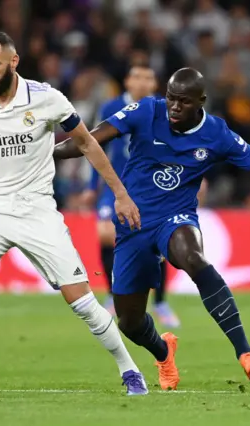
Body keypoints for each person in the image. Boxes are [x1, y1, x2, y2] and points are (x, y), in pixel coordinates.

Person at [53, 67, 250, 391]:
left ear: (201, 102)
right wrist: (45, 154)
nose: (174, 107)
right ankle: (164, 352)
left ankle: (245, 351)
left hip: (174, 218)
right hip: (132, 225)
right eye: (171, 99)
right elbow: (88, 140)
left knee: (193, 257)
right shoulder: (147, 110)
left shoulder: (217, 134)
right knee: (130, 323)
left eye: (184, 102)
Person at [0, 32, 149, 396]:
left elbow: (87, 142)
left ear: (14, 61)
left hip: (38, 211)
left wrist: (120, 193)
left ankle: (129, 369)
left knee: (83, 302)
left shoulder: (46, 99)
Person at [81, 64, 181, 328]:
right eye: (136, 76)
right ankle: (114, 294)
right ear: (127, 81)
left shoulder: (162, 109)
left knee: (159, 242)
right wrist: (93, 186)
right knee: (104, 234)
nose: (141, 82)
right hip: (114, 185)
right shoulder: (111, 107)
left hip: (149, 187)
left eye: (148, 77)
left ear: (154, 83)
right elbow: (96, 146)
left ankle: (160, 302)